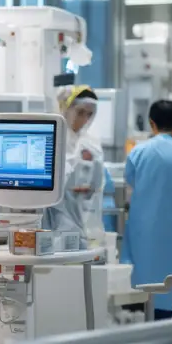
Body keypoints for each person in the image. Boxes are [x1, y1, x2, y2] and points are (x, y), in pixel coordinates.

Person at [121, 99, 172, 320]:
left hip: (144, 234)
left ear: (151, 123)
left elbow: (130, 183)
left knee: (146, 293)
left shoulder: (138, 152)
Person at [43, 85, 105, 245]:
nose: (84, 119)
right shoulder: (52, 138)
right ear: (67, 109)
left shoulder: (91, 144)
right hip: (55, 218)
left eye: (89, 114)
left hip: (83, 220)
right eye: (80, 112)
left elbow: (97, 185)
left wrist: (89, 187)